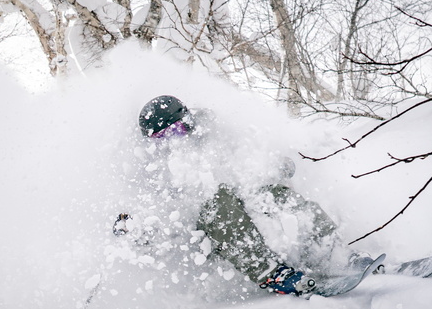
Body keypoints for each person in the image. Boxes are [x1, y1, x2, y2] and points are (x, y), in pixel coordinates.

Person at [122, 94, 358, 296]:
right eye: (161, 137)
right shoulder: (156, 170)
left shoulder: (213, 130)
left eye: (176, 130)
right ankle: (272, 273)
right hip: (205, 232)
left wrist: (272, 165)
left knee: (275, 194)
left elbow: (247, 153)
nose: (172, 141)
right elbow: (154, 208)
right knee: (219, 202)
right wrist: (135, 226)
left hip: (244, 199)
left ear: (187, 120)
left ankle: (332, 251)